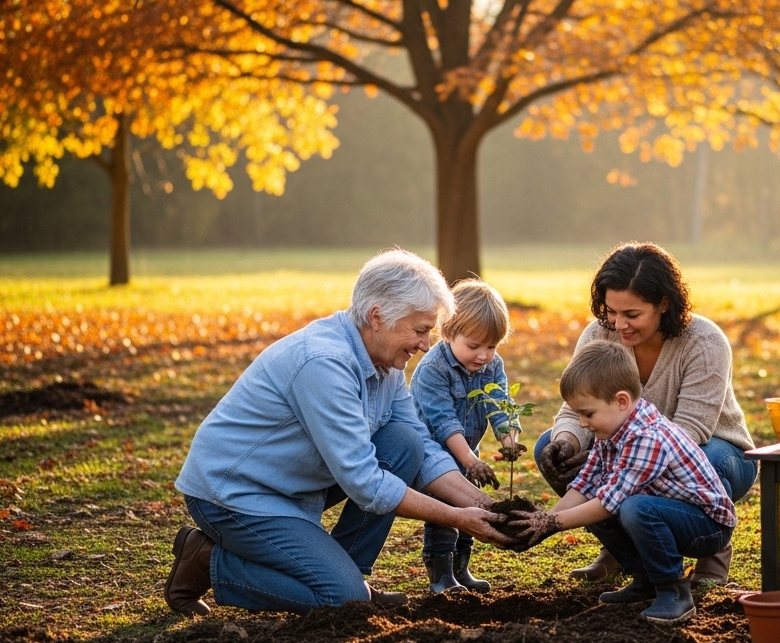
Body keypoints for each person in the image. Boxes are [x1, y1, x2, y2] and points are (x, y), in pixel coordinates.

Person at [164, 250, 508, 616]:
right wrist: (457, 517)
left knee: (404, 444)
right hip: (236, 495)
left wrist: (485, 506)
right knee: (341, 601)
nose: (426, 344)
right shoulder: (324, 364)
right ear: (377, 317)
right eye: (421, 330)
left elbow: (419, 443)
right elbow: (365, 482)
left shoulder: (387, 363)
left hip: (293, 483)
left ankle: (347, 573)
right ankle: (207, 560)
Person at [535, 242, 755, 587]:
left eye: (632, 315)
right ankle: (626, 555)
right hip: (630, 447)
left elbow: (689, 432)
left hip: (717, 451)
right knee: (550, 448)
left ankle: (711, 556)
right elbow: (574, 407)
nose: (619, 324)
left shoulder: (705, 341)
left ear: (663, 304)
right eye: (611, 311)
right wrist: (567, 442)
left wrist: (614, 460)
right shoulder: (599, 334)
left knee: (705, 458)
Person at [509, 342, 736, 622]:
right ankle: (645, 581)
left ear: (621, 401)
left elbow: (608, 502)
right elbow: (586, 485)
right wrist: (543, 522)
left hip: (706, 527)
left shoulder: (647, 437)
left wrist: (552, 524)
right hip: (669, 515)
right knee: (601, 507)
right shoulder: (613, 430)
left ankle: (674, 591)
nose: (581, 423)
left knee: (632, 508)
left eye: (588, 413)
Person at [409, 280, 524, 595]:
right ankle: (441, 575)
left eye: (492, 346)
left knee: (471, 512)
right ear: (448, 333)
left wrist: (509, 439)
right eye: (474, 346)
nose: (484, 356)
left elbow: (500, 405)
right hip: (434, 456)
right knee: (448, 510)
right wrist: (470, 461)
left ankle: (462, 569)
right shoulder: (434, 369)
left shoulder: (491, 365)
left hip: (466, 453)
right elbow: (443, 422)